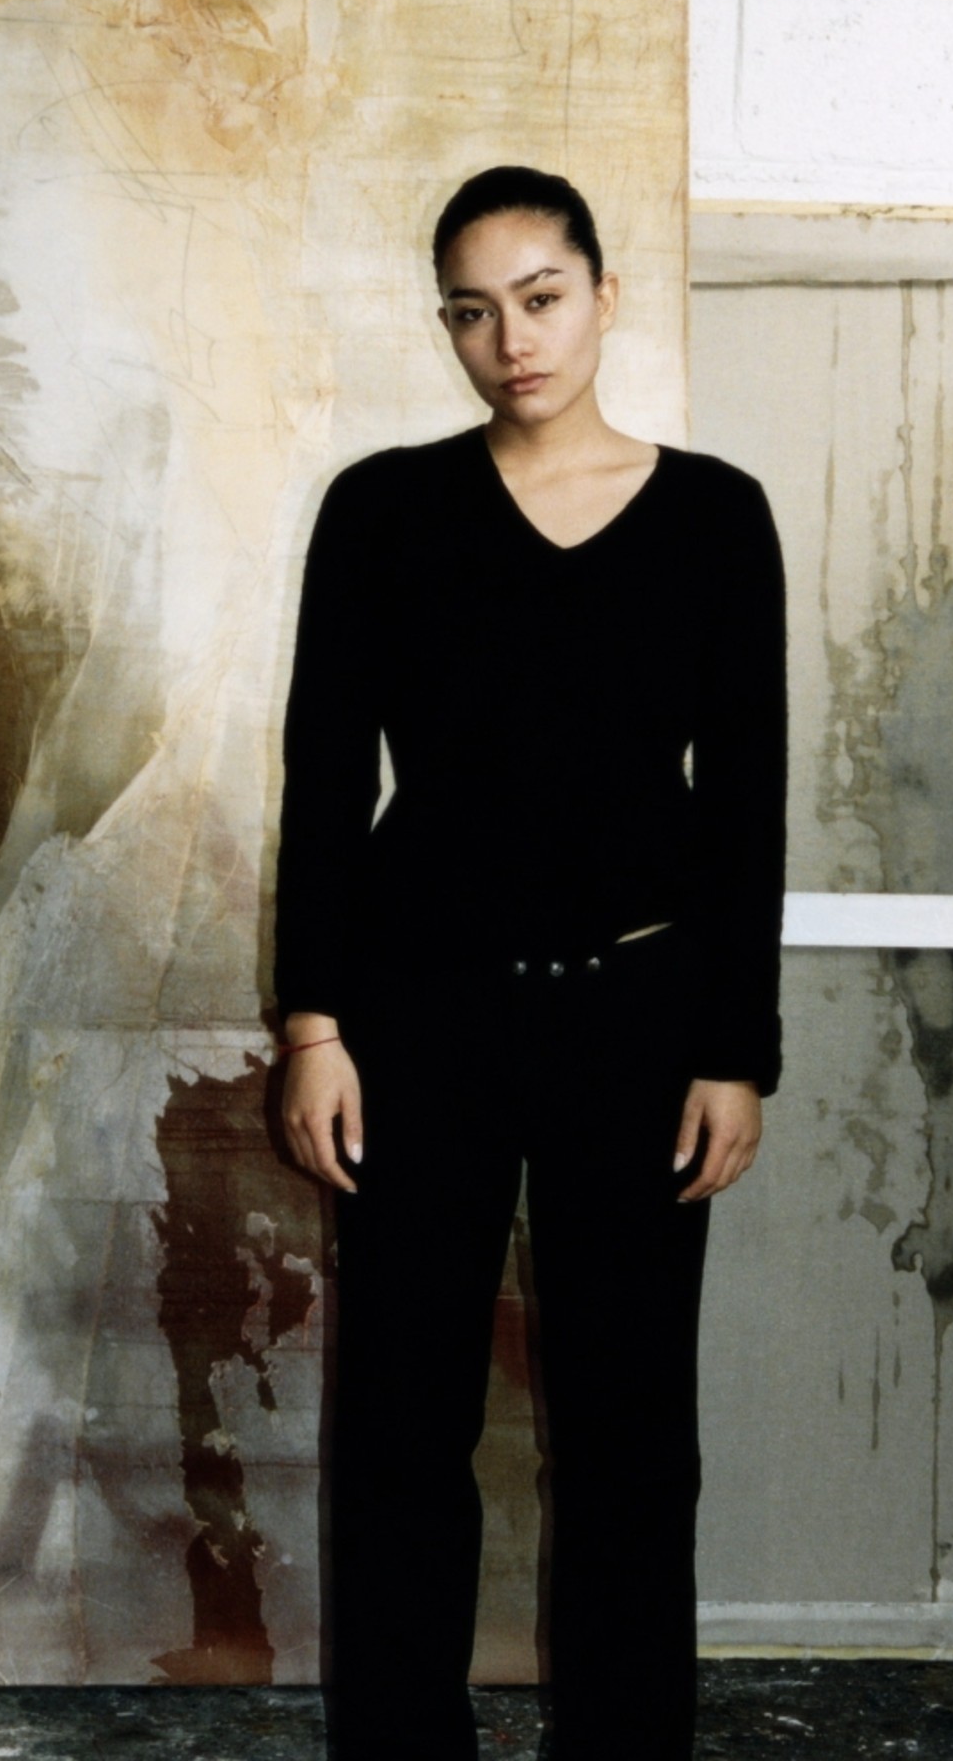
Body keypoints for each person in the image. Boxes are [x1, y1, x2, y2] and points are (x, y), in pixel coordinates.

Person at [273, 165, 786, 1761]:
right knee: (402, 1424)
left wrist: (735, 1051)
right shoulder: (382, 509)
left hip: (639, 1021)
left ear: (605, 296)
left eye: (543, 298)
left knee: (632, 1437)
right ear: (447, 327)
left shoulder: (715, 517)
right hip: (417, 1020)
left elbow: (747, 801)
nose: (514, 342)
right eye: (473, 312)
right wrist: (312, 1027)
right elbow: (324, 780)